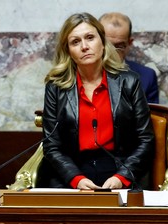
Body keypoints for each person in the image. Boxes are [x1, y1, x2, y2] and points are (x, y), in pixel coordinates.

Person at [41, 12, 154, 190]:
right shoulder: (56, 87)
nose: (84, 46)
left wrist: (122, 177)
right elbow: (51, 145)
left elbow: (146, 139)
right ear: (68, 51)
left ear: (102, 42)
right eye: (75, 42)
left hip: (118, 168)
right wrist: (75, 178)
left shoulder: (129, 81)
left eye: (90, 38)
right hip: (72, 172)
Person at [99, 12, 160, 104]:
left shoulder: (147, 77)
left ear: (129, 43)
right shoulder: (84, 74)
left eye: (120, 46)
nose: (113, 52)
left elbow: (153, 116)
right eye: (108, 45)